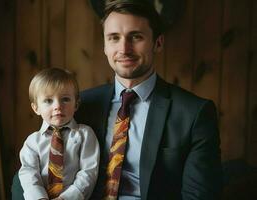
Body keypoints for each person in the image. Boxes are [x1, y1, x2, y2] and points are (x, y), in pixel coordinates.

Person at [74, 0, 223, 199]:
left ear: (158, 43)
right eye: (114, 38)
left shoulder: (194, 114)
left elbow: (198, 196)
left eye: (135, 37)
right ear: (105, 46)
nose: (124, 49)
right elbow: (38, 167)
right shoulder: (79, 105)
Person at [17, 68, 100, 200]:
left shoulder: (85, 134)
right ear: (36, 108)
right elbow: (29, 172)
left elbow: (89, 172)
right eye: (48, 101)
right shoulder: (32, 142)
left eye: (65, 99)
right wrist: (39, 197)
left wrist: (66, 198)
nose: (58, 106)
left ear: (76, 104)